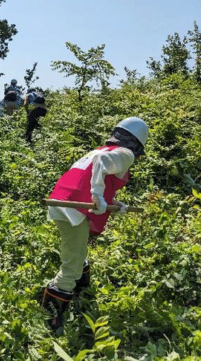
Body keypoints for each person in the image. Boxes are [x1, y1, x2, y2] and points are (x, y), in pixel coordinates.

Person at [40, 117, 149, 331]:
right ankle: (49, 319)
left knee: (78, 249)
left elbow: (94, 175)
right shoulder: (123, 154)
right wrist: (97, 195)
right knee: (70, 267)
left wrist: (113, 202)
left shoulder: (100, 149)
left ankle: (81, 292)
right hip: (74, 206)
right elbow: (101, 164)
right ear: (136, 144)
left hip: (63, 199)